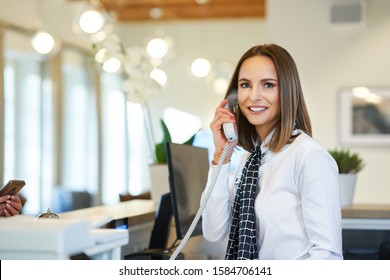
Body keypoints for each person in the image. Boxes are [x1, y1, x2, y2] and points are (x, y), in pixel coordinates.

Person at [202, 43, 343, 260]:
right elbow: (213, 231)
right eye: (245, 85)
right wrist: (222, 155)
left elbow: (327, 255)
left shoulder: (308, 156)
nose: (254, 96)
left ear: (287, 90)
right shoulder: (248, 162)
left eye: (268, 85)